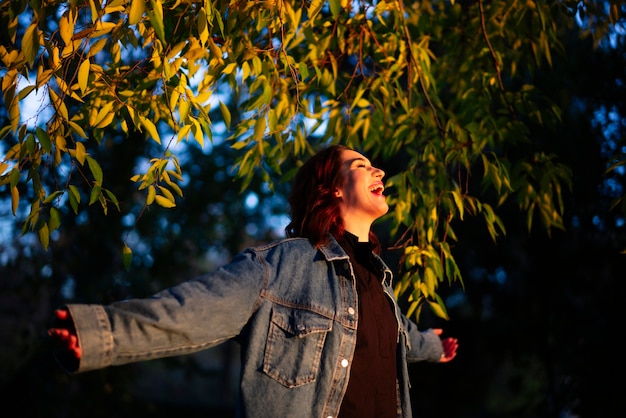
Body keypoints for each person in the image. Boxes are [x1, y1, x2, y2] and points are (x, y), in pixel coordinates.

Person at [49, 145, 459, 418]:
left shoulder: (379, 279)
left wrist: (435, 347)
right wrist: (100, 333)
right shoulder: (286, 265)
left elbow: (403, 336)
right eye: (361, 165)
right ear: (333, 189)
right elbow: (195, 308)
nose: (378, 169)